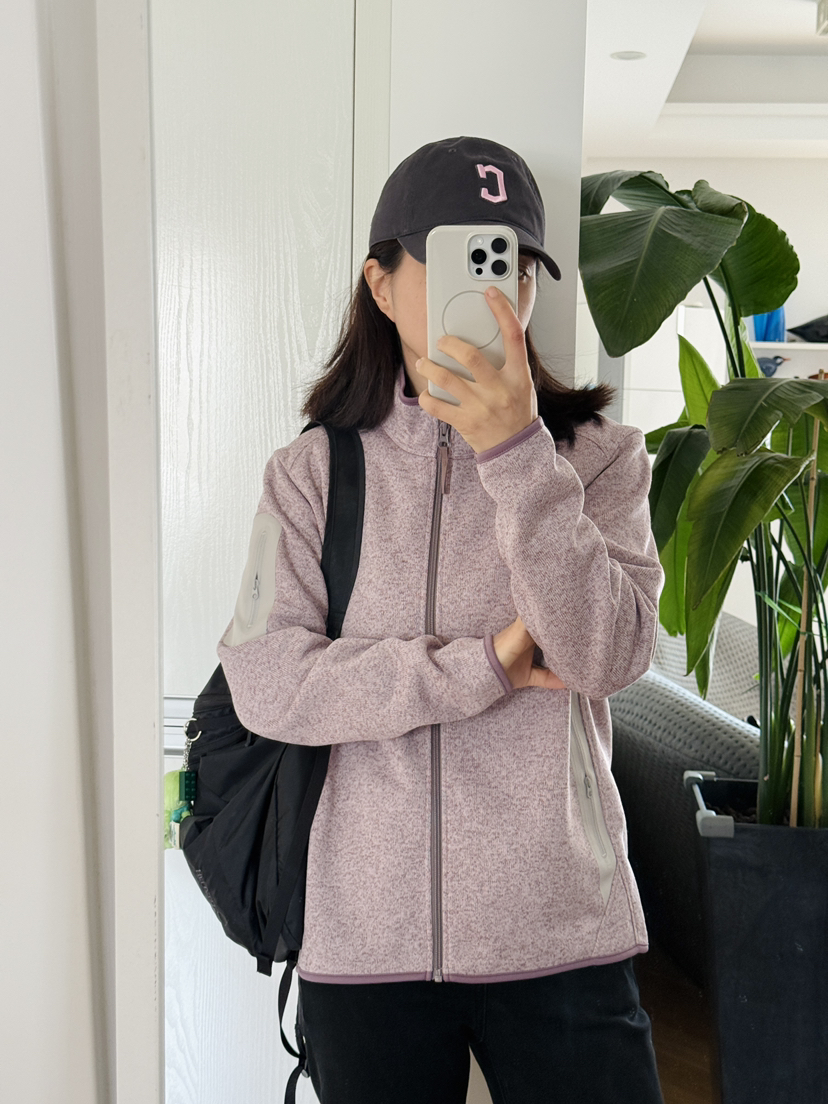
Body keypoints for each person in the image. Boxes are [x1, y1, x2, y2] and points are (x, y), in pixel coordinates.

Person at [218, 136, 665, 1104]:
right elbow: (266, 680)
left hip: (560, 931)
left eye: (512, 266)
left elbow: (611, 654)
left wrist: (516, 452)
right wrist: (484, 665)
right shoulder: (309, 476)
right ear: (382, 284)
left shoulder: (600, 459)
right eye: (462, 259)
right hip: (365, 944)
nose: (493, 291)